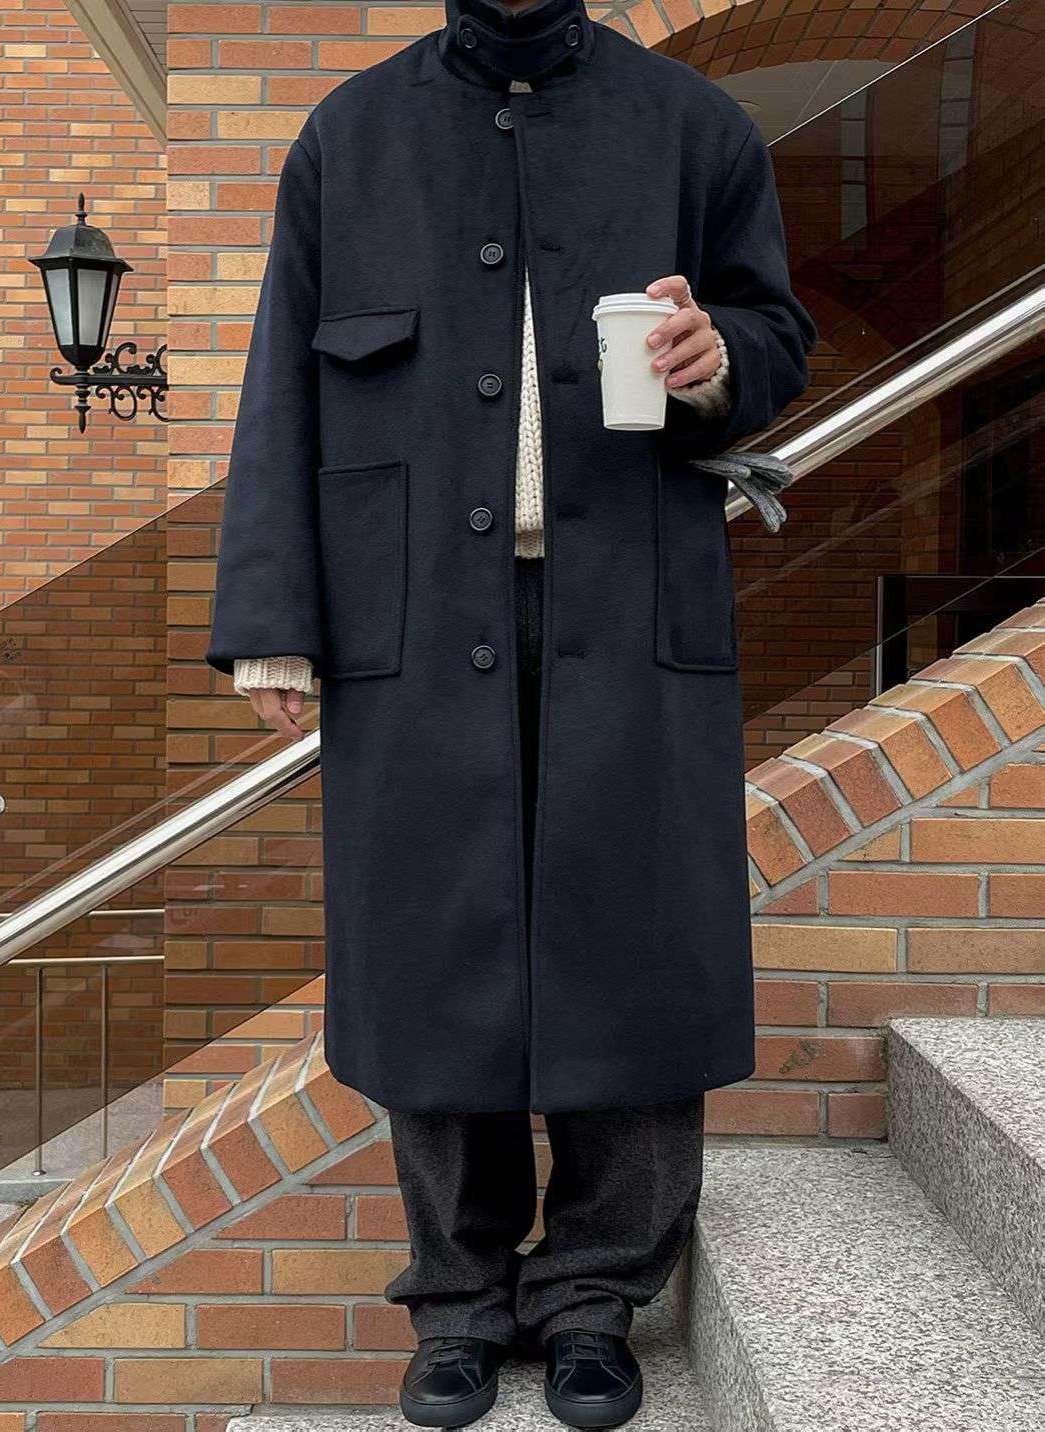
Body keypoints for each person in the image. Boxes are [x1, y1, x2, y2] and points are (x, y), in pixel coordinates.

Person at [206, 0, 817, 1424]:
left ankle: (598, 1295)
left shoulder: (694, 127)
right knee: (434, 947)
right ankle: (460, 1301)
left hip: (634, 600)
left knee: (637, 940)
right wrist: (273, 622)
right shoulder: (350, 135)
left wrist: (720, 359)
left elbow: (777, 334)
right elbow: (280, 383)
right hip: (411, 618)